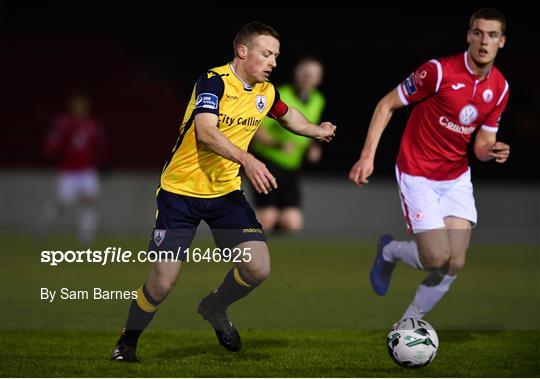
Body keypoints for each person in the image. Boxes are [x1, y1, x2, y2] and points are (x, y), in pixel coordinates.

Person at [111, 21, 336, 362]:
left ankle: (214, 306)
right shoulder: (213, 81)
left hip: (225, 194)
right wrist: (248, 159)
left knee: (257, 268)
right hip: (180, 193)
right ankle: (126, 342)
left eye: (276, 55)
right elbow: (205, 131)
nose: (273, 62)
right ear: (242, 51)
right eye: (266, 53)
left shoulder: (266, 92)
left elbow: (289, 118)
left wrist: (316, 131)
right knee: (162, 283)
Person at [349, 8, 510, 322]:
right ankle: (389, 252)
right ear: (468, 36)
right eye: (478, 33)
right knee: (436, 256)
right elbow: (386, 104)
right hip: (417, 171)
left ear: (501, 42)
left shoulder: (500, 89)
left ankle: (410, 321)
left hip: (456, 176)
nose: (484, 41)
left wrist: (492, 152)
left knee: (455, 262)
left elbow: (480, 147)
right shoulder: (438, 71)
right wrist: (367, 156)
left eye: (492, 35)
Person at [250, 57, 326, 231]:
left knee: (293, 223)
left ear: (319, 79)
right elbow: (257, 130)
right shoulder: (278, 94)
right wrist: (278, 144)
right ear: (296, 74)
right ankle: (255, 252)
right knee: (267, 218)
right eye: (304, 73)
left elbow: (306, 128)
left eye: (312, 74)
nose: (307, 78)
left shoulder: (318, 100)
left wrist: (313, 145)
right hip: (268, 163)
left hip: (292, 167)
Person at [40, 93, 108, 245]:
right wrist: (51, 150)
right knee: (62, 202)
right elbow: (52, 142)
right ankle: (45, 225)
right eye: (77, 106)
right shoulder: (64, 123)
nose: (80, 109)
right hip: (68, 171)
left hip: (87, 170)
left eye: (83, 106)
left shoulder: (92, 125)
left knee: (89, 200)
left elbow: (100, 145)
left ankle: (86, 237)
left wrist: (103, 161)